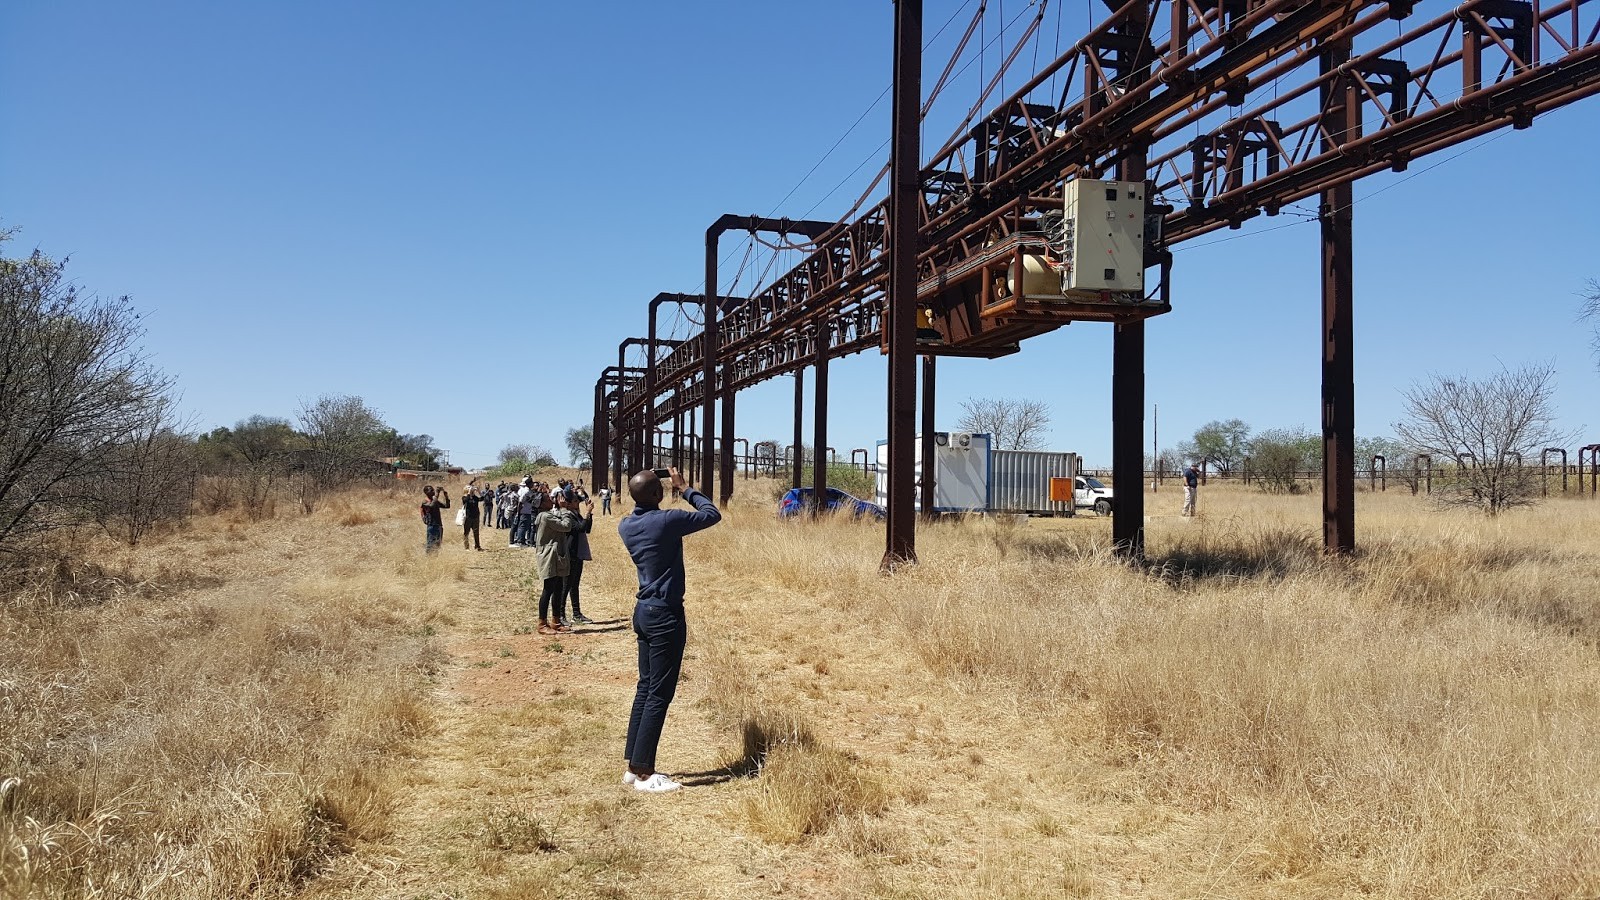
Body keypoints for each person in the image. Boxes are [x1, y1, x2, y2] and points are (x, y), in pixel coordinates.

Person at [618, 466, 720, 794]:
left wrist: (661, 487)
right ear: (658, 494)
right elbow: (711, 513)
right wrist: (686, 487)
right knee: (659, 693)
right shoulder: (666, 521)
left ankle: (633, 766)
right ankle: (646, 773)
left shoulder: (626, 524)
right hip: (665, 615)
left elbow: (647, 498)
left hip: (643, 611)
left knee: (645, 687)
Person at [533, 493, 587, 633]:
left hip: (556, 555)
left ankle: (556, 621)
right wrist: (564, 509)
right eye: (547, 500)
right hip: (550, 556)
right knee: (548, 589)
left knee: (557, 588)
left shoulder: (548, 514)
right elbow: (566, 526)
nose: (551, 501)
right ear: (541, 504)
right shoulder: (545, 516)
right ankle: (542, 624)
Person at [566, 498, 595, 624]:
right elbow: (580, 528)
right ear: (568, 503)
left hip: (578, 553)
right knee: (566, 586)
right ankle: (560, 615)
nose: (577, 502)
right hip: (571, 554)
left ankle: (576, 614)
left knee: (574, 585)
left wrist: (589, 514)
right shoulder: (568, 516)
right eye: (575, 500)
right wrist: (587, 513)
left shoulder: (576, 514)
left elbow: (587, 528)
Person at [419, 485, 450, 553]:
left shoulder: (435, 500)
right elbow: (431, 506)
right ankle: (429, 560)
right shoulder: (425, 501)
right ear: (426, 492)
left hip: (439, 525)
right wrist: (437, 494)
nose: (433, 492)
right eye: (431, 490)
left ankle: (434, 559)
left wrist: (446, 496)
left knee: (437, 546)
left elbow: (447, 506)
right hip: (432, 526)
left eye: (433, 490)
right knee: (430, 546)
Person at [461, 483, 483, 551]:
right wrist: (469, 493)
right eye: (469, 487)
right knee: (466, 532)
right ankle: (466, 547)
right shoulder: (464, 497)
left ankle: (477, 546)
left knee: (476, 532)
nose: (471, 489)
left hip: (476, 516)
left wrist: (479, 491)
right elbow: (465, 501)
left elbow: (482, 498)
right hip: (468, 517)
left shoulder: (475, 497)